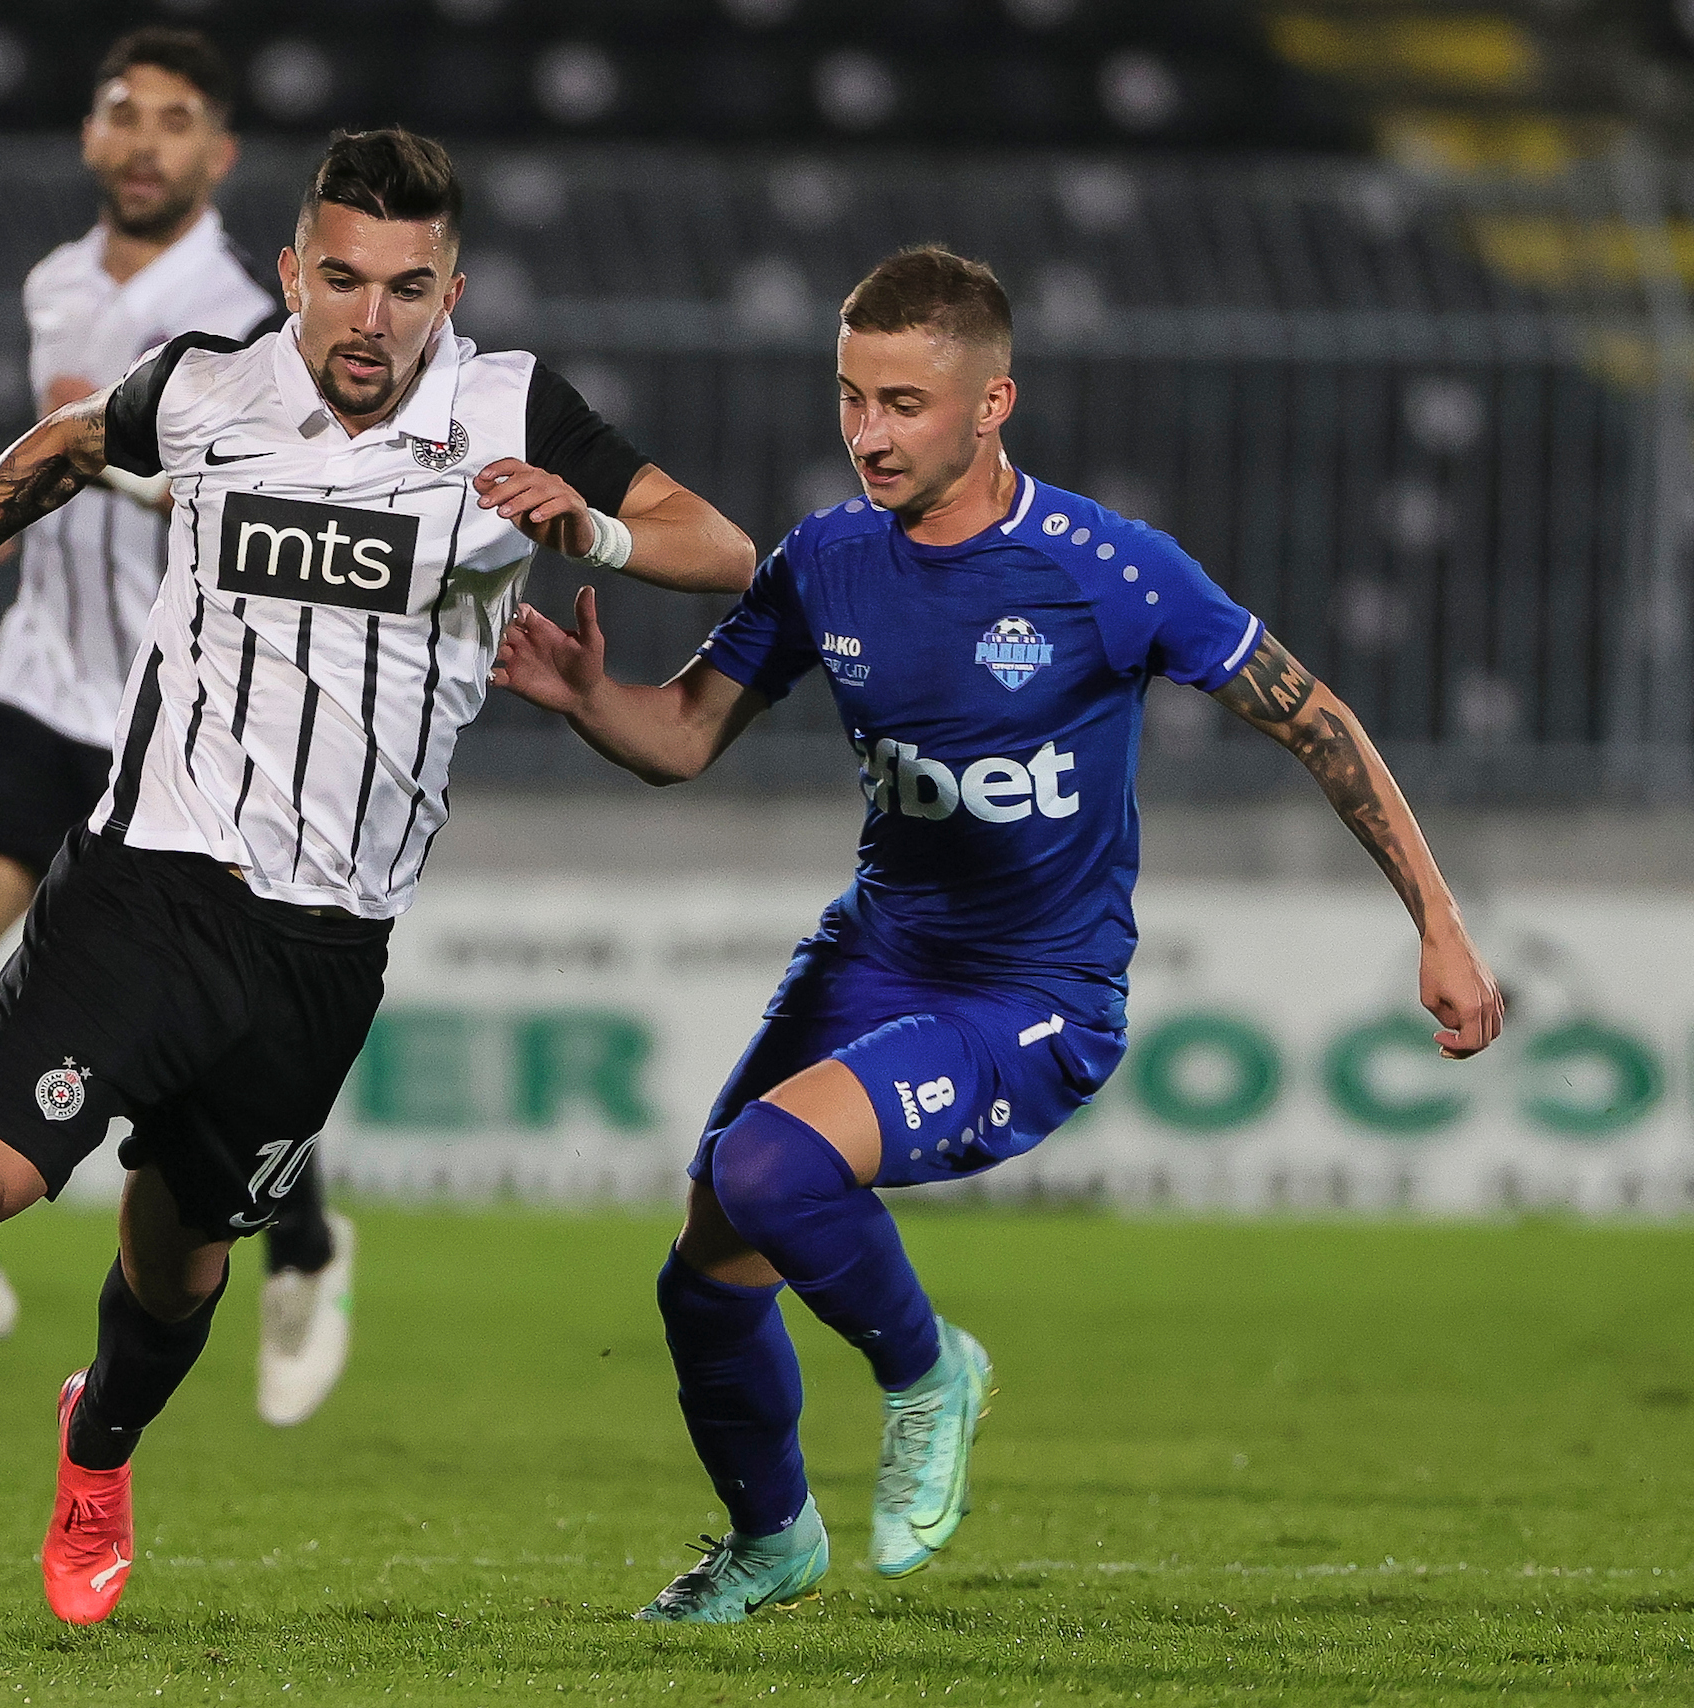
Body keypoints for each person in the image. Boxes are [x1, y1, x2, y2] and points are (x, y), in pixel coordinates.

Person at [0, 128, 755, 1627]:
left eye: (408, 288)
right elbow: (64, 444)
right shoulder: (209, 390)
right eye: (341, 278)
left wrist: (581, 524)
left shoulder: (511, 406)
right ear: (293, 274)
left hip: (325, 949)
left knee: (178, 1265)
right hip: (147, 886)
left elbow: (719, 548)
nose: (370, 319)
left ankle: (97, 1443)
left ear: (452, 291)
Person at [490, 245, 1506, 1623]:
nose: (867, 432)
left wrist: (1438, 925)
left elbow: (1315, 718)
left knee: (775, 1168)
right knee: (708, 1263)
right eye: (852, 396)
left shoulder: (1109, 572)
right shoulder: (828, 559)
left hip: (1038, 994)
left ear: (992, 403)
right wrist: (592, 698)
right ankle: (771, 1542)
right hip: (875, 953)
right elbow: (682, 739)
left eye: (904, 402)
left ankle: (931, 1377)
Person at [0, 25, 356, 1433]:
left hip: (175, 718)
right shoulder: (56, 286)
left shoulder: (249, 312)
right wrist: (7, 515)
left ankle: (305, 1246)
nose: (143, 140)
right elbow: (59, 455)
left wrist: (91, 462)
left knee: (192, 1043)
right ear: (89, 136)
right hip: (41, 686)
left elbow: (245, 503)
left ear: (219, 155)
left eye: (175, 120)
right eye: (123, 112)